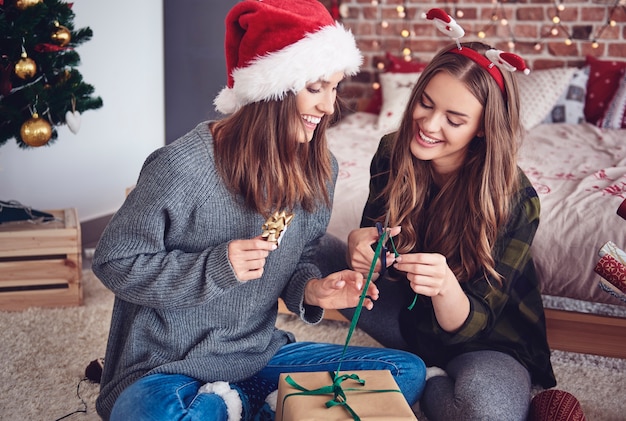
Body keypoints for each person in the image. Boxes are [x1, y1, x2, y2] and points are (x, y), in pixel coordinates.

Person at [91, 1, 426, 420]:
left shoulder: (321, 168)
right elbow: (113, 261)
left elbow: (300, 257)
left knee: (405, 372)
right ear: (274, 89)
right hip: (169, 364)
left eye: (335, 87)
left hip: (256, 355)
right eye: (316, 87)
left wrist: (312, 290)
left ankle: (242, 401)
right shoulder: (182, 166)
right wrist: (214, 268)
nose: (329, 107)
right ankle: (263, 404)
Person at [342, 30, 557, 421]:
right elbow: (377, 252)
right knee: (312, 249)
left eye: (454, 120)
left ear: (482, 129)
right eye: (425, 104)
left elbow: (471, 324)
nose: (428, 124)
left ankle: (424, 378)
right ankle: (411, 366)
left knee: (486, 413)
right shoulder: (393, 151)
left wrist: (444, 287)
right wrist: (361, 247)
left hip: (487, 343)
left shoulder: (515, 200)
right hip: (408, 317)